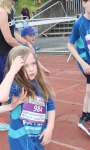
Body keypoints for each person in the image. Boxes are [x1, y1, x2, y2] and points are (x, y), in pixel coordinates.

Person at [0, 46, 56, 150]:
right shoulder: (15, 86)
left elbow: (50, 106)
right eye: (26, 66)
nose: (31, 69)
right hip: (20, 139)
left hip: (38, 137)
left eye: (33, 64)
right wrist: (11, 72)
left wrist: (50, 128)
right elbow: (1, 97)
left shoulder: (41, 85)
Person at [0, 0, 33, 131]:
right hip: (3, 55)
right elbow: (8, 38)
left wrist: (26, 42)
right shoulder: (1, 12)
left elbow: (13, 33)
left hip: (10, 53)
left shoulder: (9, 10)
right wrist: (24, 49)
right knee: (2, 86)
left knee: (19, 81)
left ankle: (22, 112)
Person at [67, 0, 90, 136]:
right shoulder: (79, 23)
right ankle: (85, 118)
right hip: (86, 61)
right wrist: (82, 62)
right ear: (84, 4)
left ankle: (85, 117)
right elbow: (70, 45)